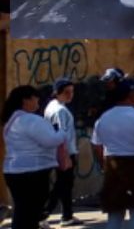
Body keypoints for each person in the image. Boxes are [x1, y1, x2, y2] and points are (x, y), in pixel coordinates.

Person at [91, 79, 134, 229]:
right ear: (130, 95)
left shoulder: (103, 118)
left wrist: (104, 165)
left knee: (114, 212)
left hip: (112, 167)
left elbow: (96, 145)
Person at [4, 85, 71, 229]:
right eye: (35, 98)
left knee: (22, 211)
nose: (38, 101)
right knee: (31, 212)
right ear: (26, 100)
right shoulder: (30, 120)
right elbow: (50, 140)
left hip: (14, 171)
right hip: (33, 172)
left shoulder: (12, 120)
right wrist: (62, 133)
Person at [43, 78, 81, 226]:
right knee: (62, 184)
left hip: (58, 151)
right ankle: (44, 213)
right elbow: (61, 133)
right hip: (64, 151)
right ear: (57, 92)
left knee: (66, 184)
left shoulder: (52, 106)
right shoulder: (60, 110)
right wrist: (66, 155)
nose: (70, 95)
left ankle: (67, 215)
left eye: (72, 92)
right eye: (67, 92)